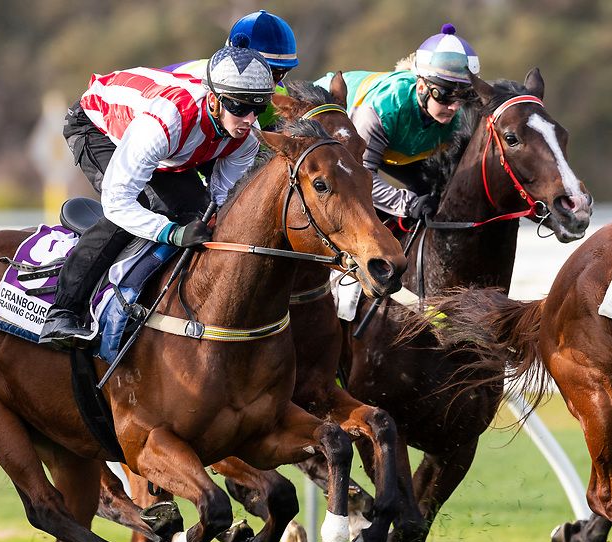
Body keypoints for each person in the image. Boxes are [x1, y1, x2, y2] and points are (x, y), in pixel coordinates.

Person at [38, 46, 275, 343]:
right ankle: (62, 312)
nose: (250, 119)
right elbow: (118, 203)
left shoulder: (246, 139)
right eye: (239, 107)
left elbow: (221, 202)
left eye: (258, 109)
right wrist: (172, 233)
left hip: (170, 148)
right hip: (97, 126)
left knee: (197, 213)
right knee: (136, 209)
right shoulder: (167, 122)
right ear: (214, 100)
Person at [314, 23, 480, 222]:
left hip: (393, 144)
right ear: (421, 87)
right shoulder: (382, 109)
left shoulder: (458, 117)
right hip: (328, 122)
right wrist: (409, 204)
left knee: (431, 192)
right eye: (444, 95)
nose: (454, 107)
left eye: (462, 97)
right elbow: (358, 178)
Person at [166, 10, 298, 129]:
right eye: (257, 73)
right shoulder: (192, 81)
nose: (270, 86)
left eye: (278, 74)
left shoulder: (279, 99)